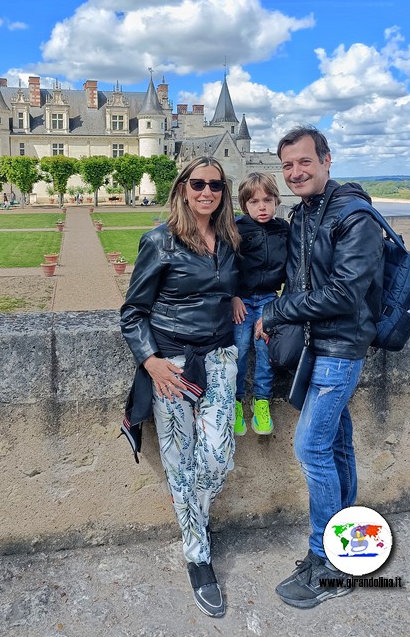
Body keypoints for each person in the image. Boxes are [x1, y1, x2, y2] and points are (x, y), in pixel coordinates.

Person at [255, 126, 383, 609]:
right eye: (287, 166)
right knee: (337, 446)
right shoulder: (306, 213)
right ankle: (346, 548)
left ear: (327, 161)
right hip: (319, 345)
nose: (295, 173)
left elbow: (345, 293)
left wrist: (276, 313)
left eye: (304, 162)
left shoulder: (354, 217)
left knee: (310, 449)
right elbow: (296, 277)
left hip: (340, 349)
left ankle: (327, 561)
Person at [120, 156, 240, 619]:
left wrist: (230, 295)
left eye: (215, 185)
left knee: (219, 456)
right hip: (172, 364)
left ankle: (194, 518)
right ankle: (198, 555)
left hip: (221, 357)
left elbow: (235, 281)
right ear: (183, 189)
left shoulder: (230, 240)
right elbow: (133, 312)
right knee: (180, 461)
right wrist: (150, 362)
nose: (207, 191)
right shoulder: (159, 241)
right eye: (198, 184)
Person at [232, 172, 288, 436]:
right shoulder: (236, 229)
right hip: (241, 299)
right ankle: (235, 402)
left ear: (276, 201)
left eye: (267, 200)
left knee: (265, 349)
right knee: (240, 348)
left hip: (268, 299)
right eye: (254, 202)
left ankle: (261, 401)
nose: (262, 207)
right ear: (245, 205)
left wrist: (279, 308)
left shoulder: (283, 230)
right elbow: (225, 267)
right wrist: (232, 297)